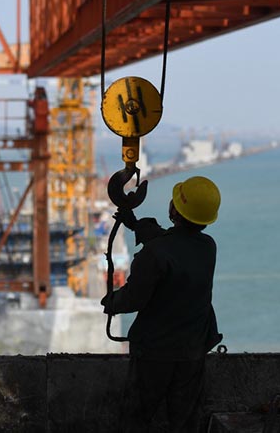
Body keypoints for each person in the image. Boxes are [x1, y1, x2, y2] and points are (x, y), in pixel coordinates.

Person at [101, 175, 223, 433]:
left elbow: (134, 297)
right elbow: (176, 247)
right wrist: (137, 226)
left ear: (174, 210)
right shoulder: (208, 247)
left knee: (136, 418)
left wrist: (112, 302)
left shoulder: (154, 253)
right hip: (192, 349)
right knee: (185, 420)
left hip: (155, 351)